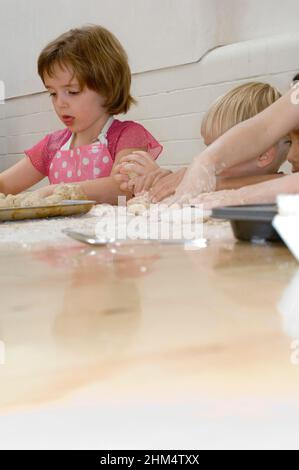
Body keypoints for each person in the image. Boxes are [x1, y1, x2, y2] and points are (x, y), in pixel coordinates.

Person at [0, 25, 162, 204]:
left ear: (107, 88)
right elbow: (4, 185)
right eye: (53, 93)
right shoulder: (52, 146)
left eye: (73, 92)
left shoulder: (127, 135)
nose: (60, 103)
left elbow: (122, 188)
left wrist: (57, 191)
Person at [115, 82, 288, 202]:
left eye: (218, 149)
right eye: (208, 148)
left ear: (264, 155)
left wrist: (194, 184)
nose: (207, 158)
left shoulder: (280, 192)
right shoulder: (214, 181)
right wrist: (160, 182)